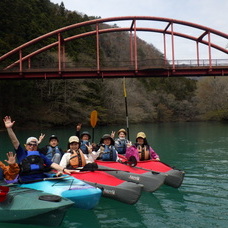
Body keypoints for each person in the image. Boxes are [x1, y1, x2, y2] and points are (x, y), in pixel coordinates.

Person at [3, 116, 73, 183]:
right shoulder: (21, 153)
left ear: (37, 146)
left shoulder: (40, 155)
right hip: (26, 181)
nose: (32, 146)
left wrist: (63, 169)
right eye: (30, 144)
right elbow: (14, 141)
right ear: (26, 145)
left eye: (34, 145)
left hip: (41, 180)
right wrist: (9, 129)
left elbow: (52, 164)